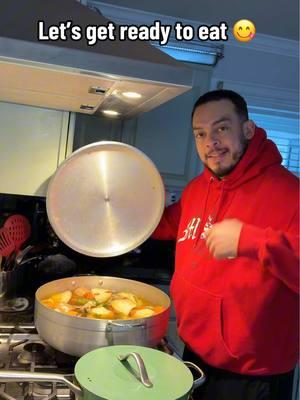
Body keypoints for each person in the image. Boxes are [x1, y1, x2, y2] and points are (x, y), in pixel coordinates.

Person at [152, 89, 299, 400]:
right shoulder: (197, 188)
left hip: (252, 377)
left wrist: (251, 240)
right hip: (193, 354)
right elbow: (169, 225)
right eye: (200, 134)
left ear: (247, 130)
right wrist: (140, 203)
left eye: (221, 128)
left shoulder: (290, 194)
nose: (211, 142)